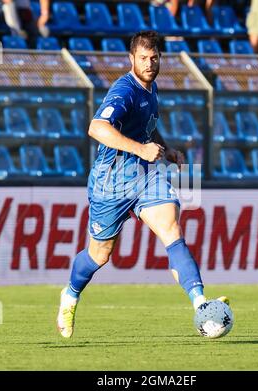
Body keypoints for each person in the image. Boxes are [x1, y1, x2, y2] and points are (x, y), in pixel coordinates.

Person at [56, 30, 229, 338]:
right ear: (131, 59)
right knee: (100, 255)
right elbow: (96, 128)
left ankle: (201, 304)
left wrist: (167, 149)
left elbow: (146, 130)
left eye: (154, 58)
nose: (149, 64)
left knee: (171, 229)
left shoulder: (152, 88)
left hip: (145, 175)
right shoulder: (124, 90)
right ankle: (70, 295)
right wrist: (140, 149)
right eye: (143, 58)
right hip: (112, 180)